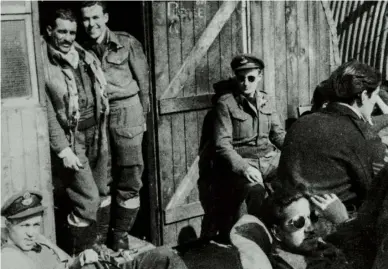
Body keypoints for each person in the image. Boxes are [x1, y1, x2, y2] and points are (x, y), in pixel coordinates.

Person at [79, 1, 150, 251]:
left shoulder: (126, 42)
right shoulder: (80, 49)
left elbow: (144, 84)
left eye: (96, 17)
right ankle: (100, 236)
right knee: (101, 177)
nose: (91, 24)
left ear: (106, 17)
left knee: (130, 176)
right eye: (86, 19)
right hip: (98, 117)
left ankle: (120, 234)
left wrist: (143, 122)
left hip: (126, 112)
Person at [41, 8, 110, 255]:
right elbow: (47, 112)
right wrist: (62, 149)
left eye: (72, 32)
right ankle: (80, 255)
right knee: (88, 200)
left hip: (97, 133)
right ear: (50, 31)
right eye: (62, 31)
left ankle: (98, 248)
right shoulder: (44, 64)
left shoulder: (83, 54)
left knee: (102, 192)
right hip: (73, 139)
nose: (68, 38)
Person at [278, 60, 387, 211]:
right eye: (375, 96)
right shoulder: (364, 136)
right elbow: (377, 194)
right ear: (363, 96)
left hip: (287, 217)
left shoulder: (300, 123)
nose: (375, 102)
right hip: (334, 222)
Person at [1, 190, 188, 269]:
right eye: (24, 226)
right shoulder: (10, 258)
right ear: (7, 225)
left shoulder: (37, 240)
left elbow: (67, 263)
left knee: (164, 256)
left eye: (35, 225)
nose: (31, 232)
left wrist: (80, 259)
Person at [212, 54, 286, 239]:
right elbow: (222, 144)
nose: (246, 83)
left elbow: (277, 134)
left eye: (251, 78)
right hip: (245, 162)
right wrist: (244, 167)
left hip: (270, 160)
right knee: (256, 190)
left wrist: (295, 151)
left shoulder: (266, 100)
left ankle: (284, 234)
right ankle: (253, 238)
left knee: (293, 182)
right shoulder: (226, 104)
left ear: (259, 77)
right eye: (241, 78)